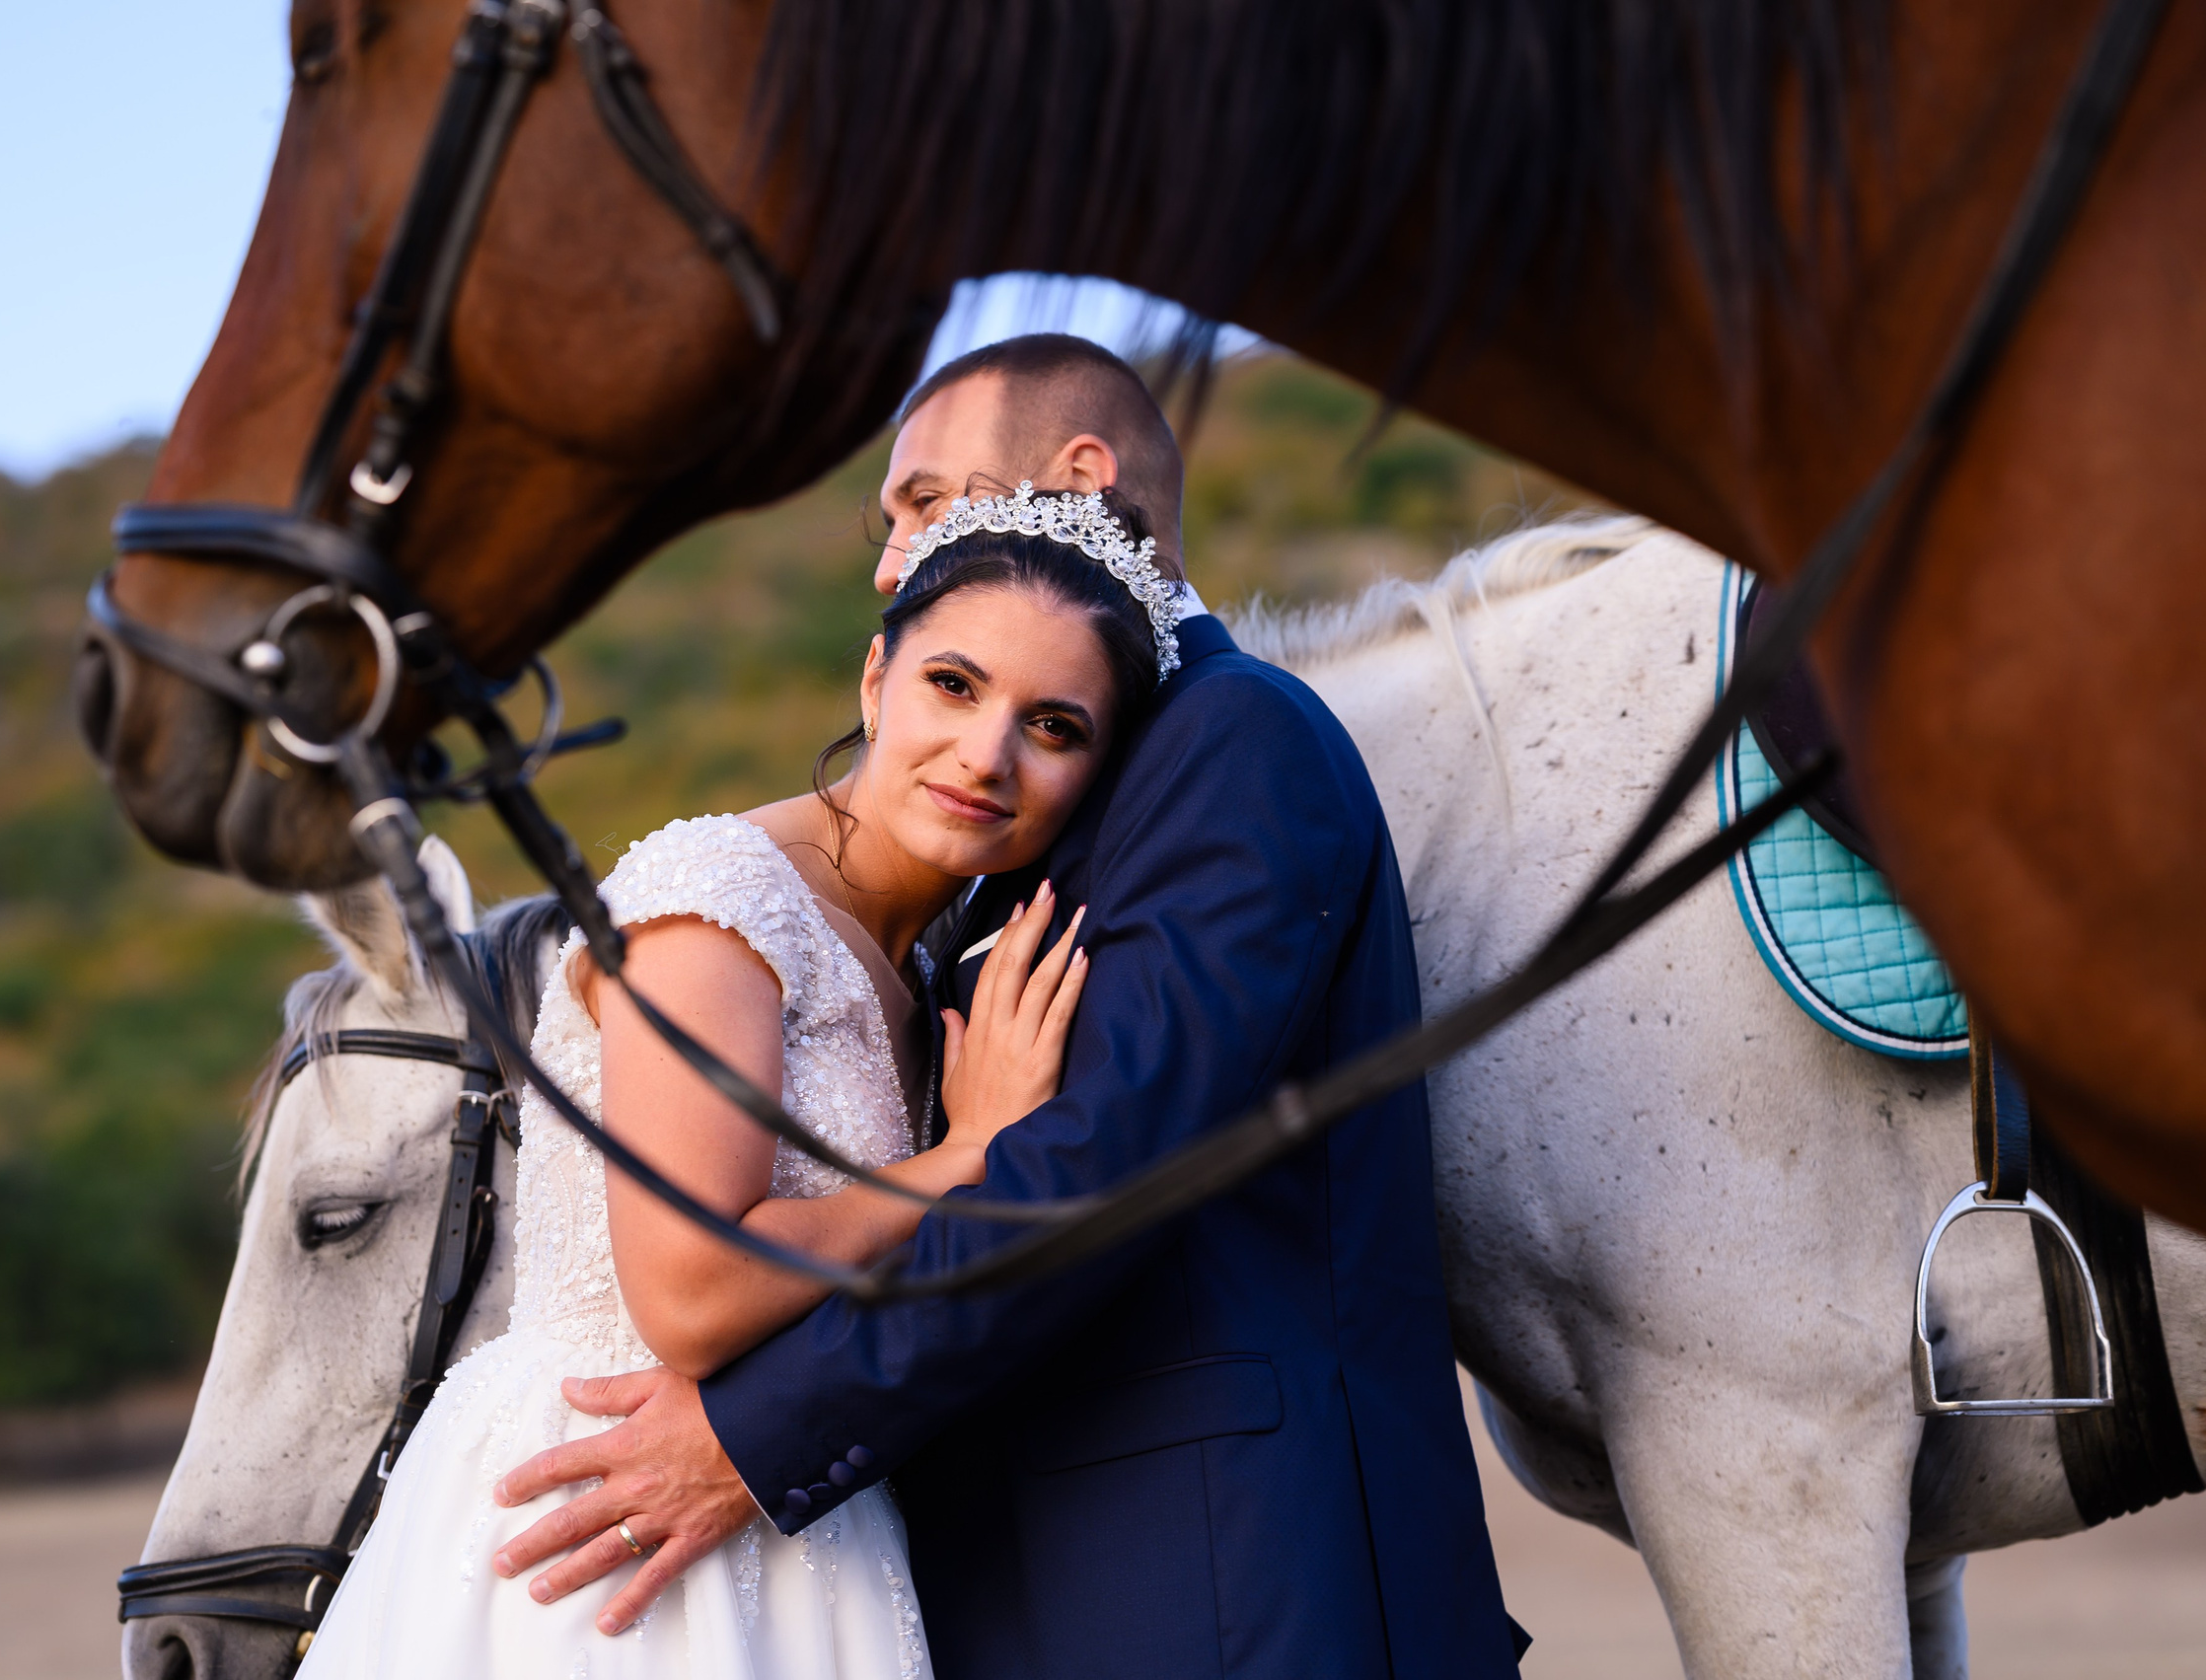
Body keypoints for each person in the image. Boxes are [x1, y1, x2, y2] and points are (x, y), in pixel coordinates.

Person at [489, 335, 1525, 1677]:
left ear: (1079, 481)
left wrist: (759, 1436)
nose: (888, 558)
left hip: (1224, 1580)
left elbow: (1104, 1164)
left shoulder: (1231, 740)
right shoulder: (1018, 825)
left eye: (921, 502)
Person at [297, 475, 1175, 1677]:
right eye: (953, 685)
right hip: (606, 1530)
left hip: (798, 1528)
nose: (988, 754)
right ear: (876, 680)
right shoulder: (721, 896)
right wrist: (966, 1157)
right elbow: (693, 1294)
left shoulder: (926, 969)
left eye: (1054, 725)